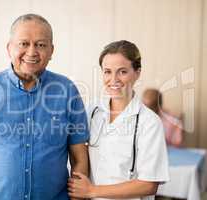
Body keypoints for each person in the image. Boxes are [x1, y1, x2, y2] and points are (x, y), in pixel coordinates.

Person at [0, 14, 89, 200]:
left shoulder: (68, 91)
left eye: (41, 44)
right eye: (24, 43)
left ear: (51, 50)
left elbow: (79, 159)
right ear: (9, 48)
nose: (32, 51)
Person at [68, 40, 169, 200]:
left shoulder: (149, 122)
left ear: (137, 73)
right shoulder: (92, 110)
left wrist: (92, 191)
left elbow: (149, 184)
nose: (113, 79)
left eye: (122, 72)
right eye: (107, 71)